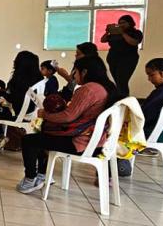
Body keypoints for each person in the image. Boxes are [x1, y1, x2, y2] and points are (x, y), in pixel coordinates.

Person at [17, 55, 117, 194]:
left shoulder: (88, 89)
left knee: (30, 140)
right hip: (98, 142)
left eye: (74, 71)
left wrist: (44, 114)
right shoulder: (107, 88)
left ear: (84, 72)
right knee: (43, 136)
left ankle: (31, 178)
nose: (72, 75)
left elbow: (68, 116)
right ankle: (42, 175)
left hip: (80, 142)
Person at [101, 14, 143, 98]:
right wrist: (108, 31)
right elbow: (103, 40)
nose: (121, 24)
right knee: (117, 80)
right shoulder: (115, 33)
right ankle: (120, 97)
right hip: (113, 59)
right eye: (119, 23)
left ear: (130, 23)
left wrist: (122, 33)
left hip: (128, 60)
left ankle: (123, 98)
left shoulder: (136, 32)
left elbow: (134, 42)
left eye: (124, 22)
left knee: (122, 80)